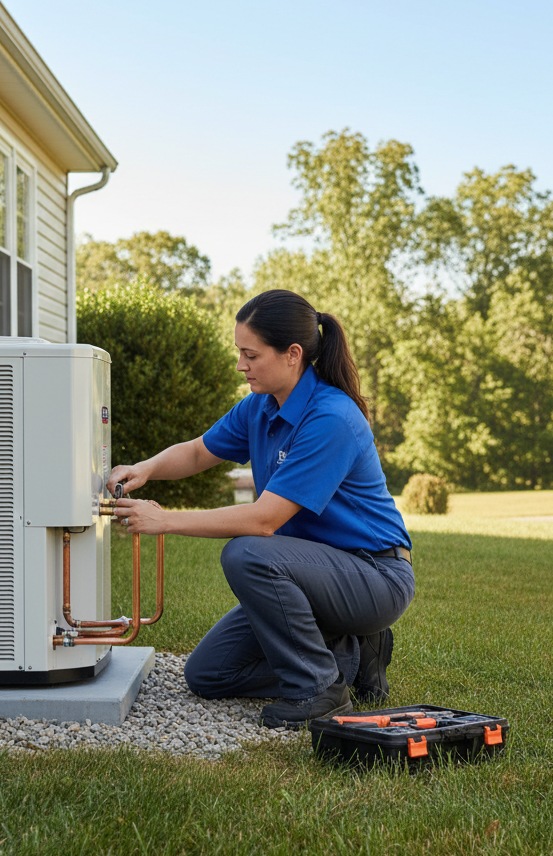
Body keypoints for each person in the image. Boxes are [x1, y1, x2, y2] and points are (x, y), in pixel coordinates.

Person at [107, 289, 414, 729]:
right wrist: (145, 469)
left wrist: (165, 520)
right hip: (312, 573)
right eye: (239, 352)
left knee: (247, 552)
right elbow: (198, 452)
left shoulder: (330, 418)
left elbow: (264, 521)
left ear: (292, 354)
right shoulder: (260, 407)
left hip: (374, 577)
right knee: (209, 674)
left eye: (250, 354)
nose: (240, 365)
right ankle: (348, 658)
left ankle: (320, 690)